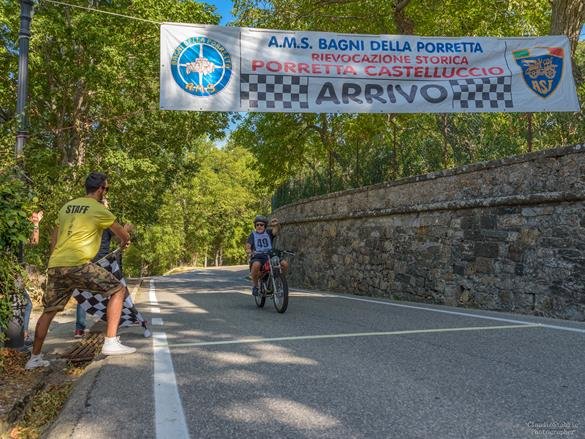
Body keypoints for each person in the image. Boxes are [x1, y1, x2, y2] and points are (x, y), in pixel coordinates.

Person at [25, 172, 135, 370]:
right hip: (78, 264)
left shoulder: (67, 207)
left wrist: (54, 258)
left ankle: (34, 358)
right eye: (106, 189)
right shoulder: (99, 209)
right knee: (118, 290)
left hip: (56, 265)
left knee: (49, 311)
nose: (105, 192)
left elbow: (55, 236)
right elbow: (122, 234)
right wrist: (125, 241)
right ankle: (110, 342)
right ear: (100, 189)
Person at [74, 198, 133, 338]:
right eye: (106, 203)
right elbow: (121, 237)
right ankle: (113, 323)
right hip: (103, 262)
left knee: (84, 293)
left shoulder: (86, 219)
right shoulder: (106, 219)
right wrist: (126, 230)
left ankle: (79, 329)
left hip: (86, 260)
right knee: (115, 290)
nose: (108, 205)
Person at [245, 215, 288, 296]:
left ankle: (279, 281)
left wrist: (276, 224)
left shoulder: (268, 232)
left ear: (264, 226)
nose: (259, 226)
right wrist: (249, 251)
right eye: (257, 225)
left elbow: (276, 231)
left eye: (261, 225)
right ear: (255, 226)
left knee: (284, 264)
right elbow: (248, 246)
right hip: (258, 256)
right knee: (256, 265)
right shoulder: (252, 235)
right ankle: (255, 286)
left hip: (270, 255)